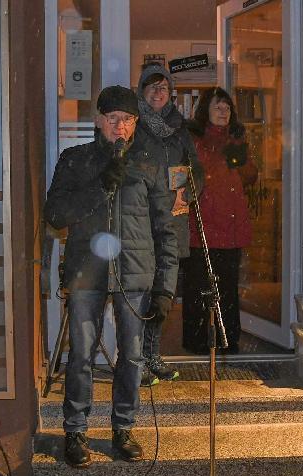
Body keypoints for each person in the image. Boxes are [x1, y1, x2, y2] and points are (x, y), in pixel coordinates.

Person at [44, 85, 178, 468]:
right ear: (98, 120)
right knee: (82, 353)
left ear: (136, 125)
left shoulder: (149, 163)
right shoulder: (75, 159)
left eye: (129, 120)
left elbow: (165, 228)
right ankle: (75, 430)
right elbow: (55, 214)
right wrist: (100, 186)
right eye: (114, 119)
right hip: (88, 272)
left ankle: (123, 429)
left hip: (134, 273)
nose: (121, 127)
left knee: (132, 356)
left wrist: (165, 287)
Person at [134, 63, 204, 385]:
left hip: (173, 225)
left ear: (171, 93)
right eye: (152, 87)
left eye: (163, 87)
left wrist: (187, 194)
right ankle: (135, 361)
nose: (158, 92)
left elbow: (197, 172)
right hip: (141, 225)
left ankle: (152, 356)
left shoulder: (181, 129)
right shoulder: (132, 128)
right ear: (142, 92)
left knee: (163, 297)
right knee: (140, 296)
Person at [183, 87, 257, 355]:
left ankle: (227, 341)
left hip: (230, 226)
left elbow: (249, 175)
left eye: (227, 108)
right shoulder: (194, 138)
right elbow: (200, 173)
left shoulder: (236, 138)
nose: (224, 112)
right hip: (201, 225)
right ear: (206, 110)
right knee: (199, 287)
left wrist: (238, 149)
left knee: (227, 287)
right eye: (218, 107)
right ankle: (198, 342)